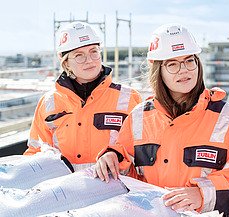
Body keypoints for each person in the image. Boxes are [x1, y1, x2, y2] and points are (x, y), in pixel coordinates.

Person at [95, 23, 229, 216]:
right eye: (172, 64)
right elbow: (124, 159)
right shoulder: (139, 117)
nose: (184, 70)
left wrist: (201, 194)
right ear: (158, 71)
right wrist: (111, 155)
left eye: (189, 61)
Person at [24, 22, 142, 171]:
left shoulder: (129, 97)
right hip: (64, 191)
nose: (89, 60)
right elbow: (34, 151)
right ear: (65, 62)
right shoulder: (49, 102)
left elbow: (142, 150)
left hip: (117, 191)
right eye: (79, 55)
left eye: (93, 51)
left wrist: (116, 153)